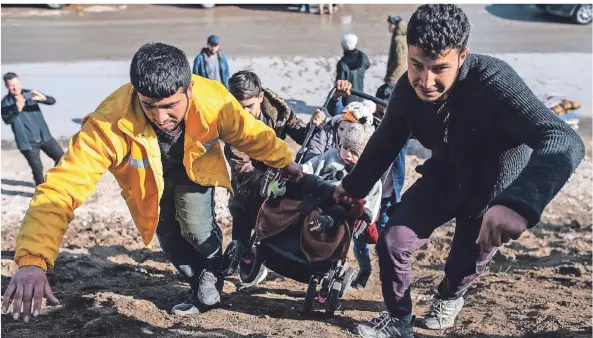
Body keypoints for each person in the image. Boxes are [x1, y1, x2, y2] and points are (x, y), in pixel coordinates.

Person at [1, 42, 303, 323]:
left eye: (171, 105)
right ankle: (199, 282)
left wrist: (283, 159)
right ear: (136, 93)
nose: (161, 117)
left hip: (193, 171)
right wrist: (33, 260)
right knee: (171, 243)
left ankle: (213, 269)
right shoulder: (109, 123)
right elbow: (62, 187)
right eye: (149, 106)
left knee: (197, 229)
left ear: (190, 88)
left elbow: (248, 132)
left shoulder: (214, 100)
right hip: (147, 187)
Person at [331, 5, 584, 338]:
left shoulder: (494, 82)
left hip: (495, 191)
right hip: (446, 173)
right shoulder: (408, 91)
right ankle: (399, 320)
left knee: (463, 264)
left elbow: (564, 138)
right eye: (417, 65)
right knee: (392, 242)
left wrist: (520, 202)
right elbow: (386, 141)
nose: (426, 81)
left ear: (463, 56)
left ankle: (450, 296)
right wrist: (352, 187)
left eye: (439, 69)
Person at [225, 70, 323, 289]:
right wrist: (278, 176)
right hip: (248, 175)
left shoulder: (278, 110)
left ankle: (268, 255)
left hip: (277, 165)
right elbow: (242, 168)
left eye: (249, 106)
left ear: (260, 97)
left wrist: (315, 125)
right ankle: (243, 259)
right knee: (241, 209)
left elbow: (301, 135)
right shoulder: (231, 122)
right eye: (239, 106)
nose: (244, 112)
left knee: (278, 212)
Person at [350, 82, 408, 290]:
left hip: (388, 196)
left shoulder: (404, 126)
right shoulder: (366, 126)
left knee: (386, 242)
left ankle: (388, 281)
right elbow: (342, 115)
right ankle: (364, 271)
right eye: (381, 106)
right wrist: (342, 96)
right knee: (360, 241)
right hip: (366, 196)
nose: (385, 111)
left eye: (389, 105)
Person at [303, 123, 381, 230]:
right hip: (322, 191)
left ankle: (326, 221)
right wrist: (303, 170)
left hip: (343, 201)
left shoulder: (367, 171)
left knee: (340, 211)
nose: (348, 154)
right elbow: (313, 164)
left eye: (354, 151)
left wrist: (368, 210)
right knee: (309, 183)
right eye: (345, 147)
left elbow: (374, 194)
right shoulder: (331, 155)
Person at [1, 73, 64, 186]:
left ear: (20, 82)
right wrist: (17, 109)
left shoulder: (30, 94)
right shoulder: (5, 102)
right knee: (37, 169)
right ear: (6, 86)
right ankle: (41, 190)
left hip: (45, 137)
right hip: (27, 143)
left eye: (16, 84)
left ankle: (55, 182)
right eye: (11, 86)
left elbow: (52, 101)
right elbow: (7, 120)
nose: (15, 88)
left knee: (62, 159)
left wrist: (44, 98)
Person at [303, 97, 375, 163]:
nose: (344, 135)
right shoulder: (326, 133)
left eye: (350, 132)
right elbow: (312, 156)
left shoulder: (366, 146)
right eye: (341, 129)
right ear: (338, 124)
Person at [336, 34, 371, 105]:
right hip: (361, 95)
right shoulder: (362, 56)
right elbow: (367, 65)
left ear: (343, 46)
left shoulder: (342, 63)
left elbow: (340, 82)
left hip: (348, 98)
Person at [385, 15, 408, 84]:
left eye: (391, 25)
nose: (389, 26)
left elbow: (399, 60)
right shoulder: (403, 37)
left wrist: (389, 73)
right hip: (401, 74)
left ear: (397, 26)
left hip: (396, 76)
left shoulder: (397, 40)